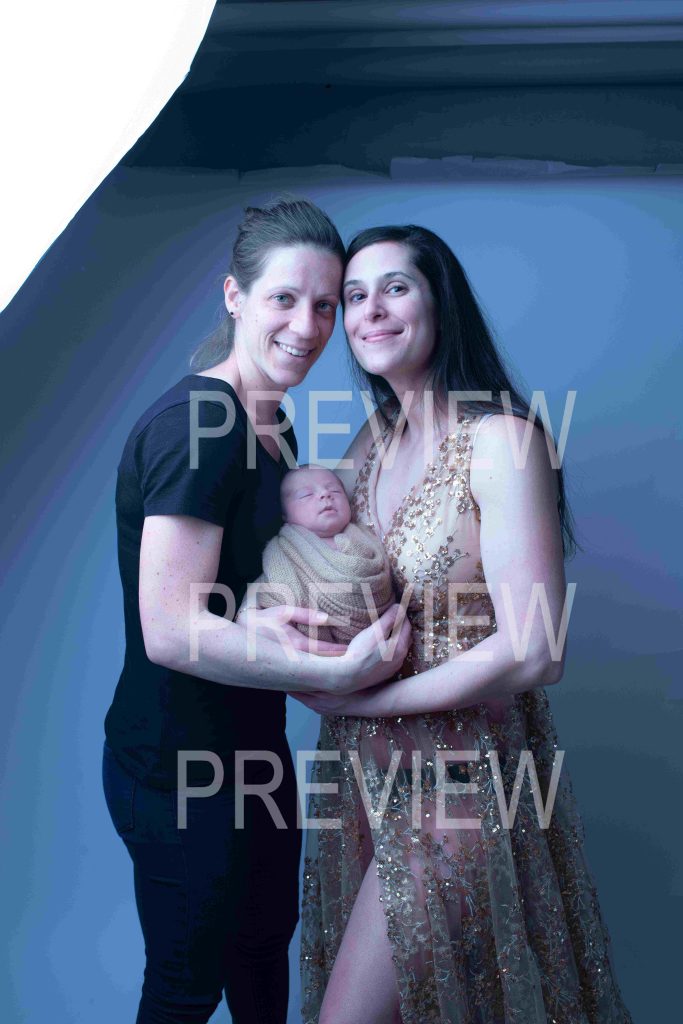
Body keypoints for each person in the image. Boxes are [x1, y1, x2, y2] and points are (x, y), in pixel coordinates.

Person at [295, 225, 634, 1024]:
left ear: (440, 302)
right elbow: (325, 582)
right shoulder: (369, 445)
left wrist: (362, 698)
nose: (370, 311)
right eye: (353, 296)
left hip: (456, 785)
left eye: (394, 288)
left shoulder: (502, 442)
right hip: (360, 780)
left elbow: (535, 650)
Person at [101, 198, 411, 1024]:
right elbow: (171, 631)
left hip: (248, 746)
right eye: (284, 298)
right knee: (186, 987)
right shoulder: (200, 426)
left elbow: (236, 586)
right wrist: (333, 672)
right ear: (234, 296)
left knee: (264, 957)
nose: (307, 327)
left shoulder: (272, 425)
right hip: (176, 762)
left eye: (325, 304)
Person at [244, 464, 395, 643]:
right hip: (308, 646)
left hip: (380, 636)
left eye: (335, 491)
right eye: (306, 495)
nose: (325, 494)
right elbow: (269, 591)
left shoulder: (366, 540)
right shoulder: (284, 553)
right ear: (285, 515)